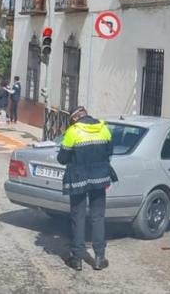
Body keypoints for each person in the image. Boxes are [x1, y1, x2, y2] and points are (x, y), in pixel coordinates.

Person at [57, 106, 117, 271]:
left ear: (74, 118)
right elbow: (110, 152)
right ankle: (99, 258)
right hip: (100, 179)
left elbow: (62, 159)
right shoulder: (104, 128)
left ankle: (77, 259)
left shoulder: (73, 131)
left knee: (78, 217)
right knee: (98, 217)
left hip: (78, 180)